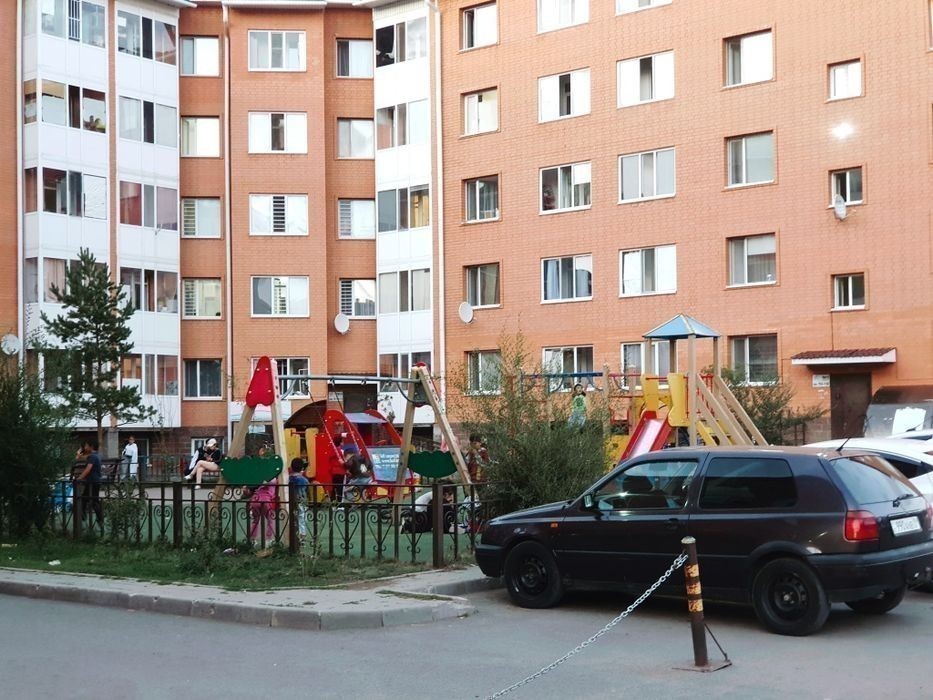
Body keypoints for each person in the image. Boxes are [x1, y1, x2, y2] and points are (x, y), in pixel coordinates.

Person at [75, 438, 103, 526]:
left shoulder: (92, 457)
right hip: (95, 481)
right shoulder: (97, 455)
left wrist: (79, 478)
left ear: (91, 447)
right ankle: (98, 518)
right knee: (91, 499)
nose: (85, 447)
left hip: (92, 481)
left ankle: (88, 516)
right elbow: (84, 457)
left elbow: (88, 469)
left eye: (86, 445)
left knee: (88, 499)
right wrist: (79, 454)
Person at [247, 477, 278, 546]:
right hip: (266, 500)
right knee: (270, 520)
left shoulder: (260, 477)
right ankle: (268, 539)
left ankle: (252, 539)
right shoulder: (273, 479)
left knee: (255, 520)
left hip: (255, 499)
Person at [288, 458, 310, 540]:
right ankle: (302, 535)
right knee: (302, 518)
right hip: (301, 500)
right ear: (302, 468)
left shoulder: (289, 478)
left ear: (291, 467)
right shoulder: (303, 479)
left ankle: (294, 534)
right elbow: (307, 488)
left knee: (293, 517)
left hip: (291, 500)